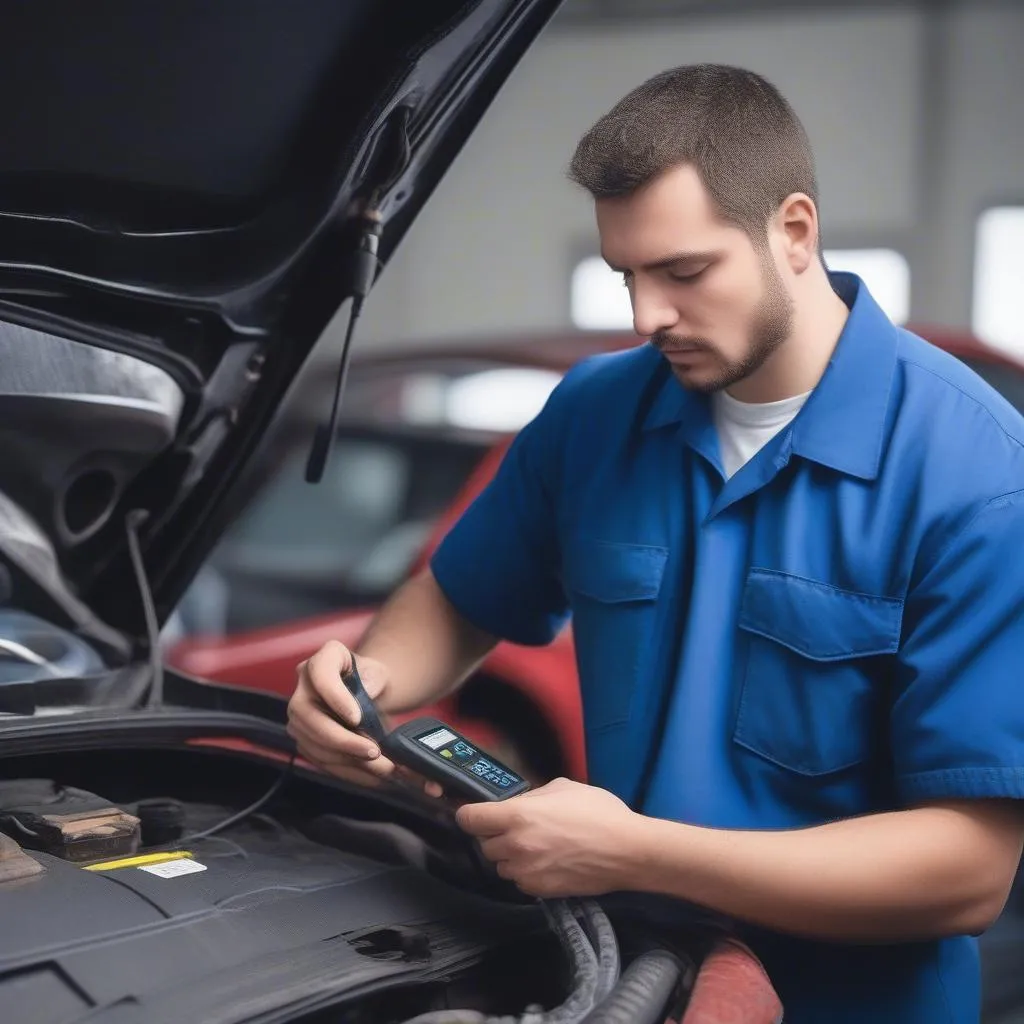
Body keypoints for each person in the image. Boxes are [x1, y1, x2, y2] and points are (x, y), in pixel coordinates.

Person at [286, 64, 1024, 1023]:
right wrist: (369, 687)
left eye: (683, 272)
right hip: (624, 984)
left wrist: (637, 852)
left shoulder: (976, 476)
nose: (647, 317)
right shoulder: (597, 413)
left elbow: (967, 872)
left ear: (793, 231)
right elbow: (462, 596)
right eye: (626, 276)